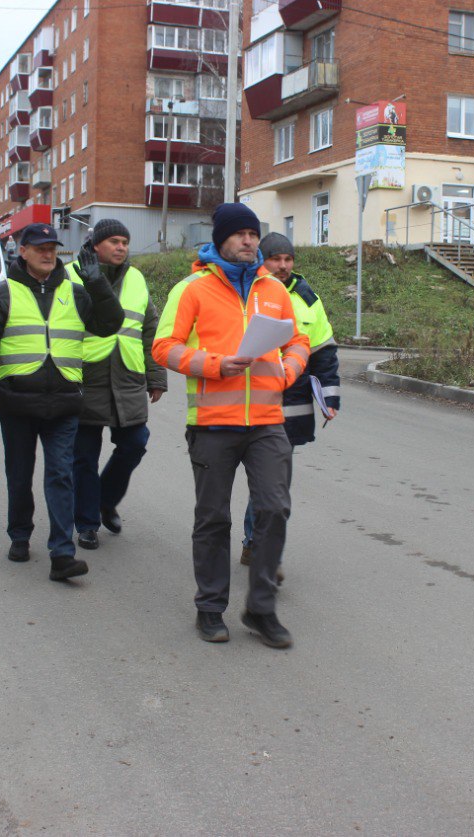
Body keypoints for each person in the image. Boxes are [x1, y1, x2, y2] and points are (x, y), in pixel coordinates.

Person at [152, 203, 310, 648]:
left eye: (253, 234)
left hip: (266, 421)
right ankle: (210, 607)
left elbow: (299, 340)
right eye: (240, 234)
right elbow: (164, 346)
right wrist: (215, 365)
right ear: (221, 238)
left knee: (274, 509)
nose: (249, 241)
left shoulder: (273, 289)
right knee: (213, 518)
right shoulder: (192, 288)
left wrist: (289, 371)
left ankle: (261, 608)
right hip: (212, 422)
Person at [0, 223, 123, 582]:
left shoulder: (76, 292)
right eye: (40, 248)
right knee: (19, 475)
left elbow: (109, 323)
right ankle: (20, 535)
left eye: (52, 248)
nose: (48, 254)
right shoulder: (3, 293)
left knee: (60, 475)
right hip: (17, 404)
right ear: (23, 252)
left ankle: (62, 554)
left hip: (64, 403)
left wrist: (97, 283)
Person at [240, 233, 341, 585]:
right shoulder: (248, 292)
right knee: (261, 485)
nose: (283, 266)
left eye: (288, 259)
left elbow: (324, 352)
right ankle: (253, 542)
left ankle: (262, 550)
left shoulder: (308, 298)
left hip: (289, 409)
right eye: (275, 259)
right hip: (244, 404)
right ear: (261, 260)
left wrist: (330, 397)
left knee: (273, 485)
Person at [65, 219, 167, 550]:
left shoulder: (136, 278)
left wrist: (156, 376)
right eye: (113, 241)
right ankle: (86, 524)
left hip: (127, 375)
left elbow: (149, 329)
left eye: (125, 241)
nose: (121, 247)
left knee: (136, 442)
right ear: (95, 245)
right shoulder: (69, 275)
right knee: (84, 456)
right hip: (85, 376)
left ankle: (105, 500)